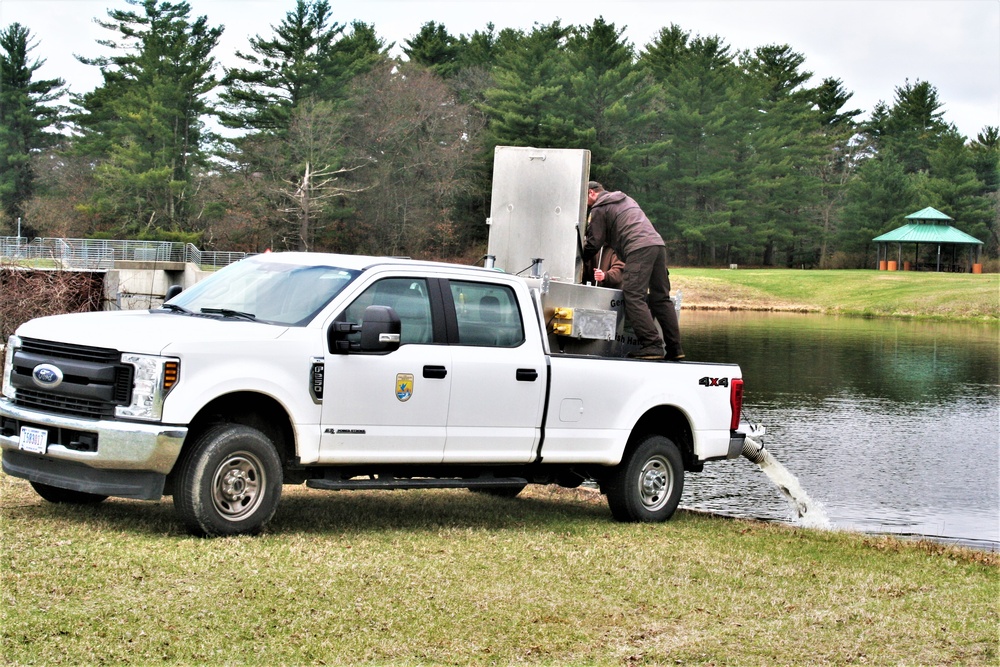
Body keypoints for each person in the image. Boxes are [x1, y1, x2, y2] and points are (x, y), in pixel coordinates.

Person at [583, 180, 684, 361]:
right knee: (661, 298)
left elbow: (594, 242)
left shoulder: (599, 207)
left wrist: (580, 257)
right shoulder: (626, 199)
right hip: (657, 245)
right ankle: (675, 348)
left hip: (638, 248)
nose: (585, 205)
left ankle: (652, 346)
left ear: (591, 193)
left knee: (633, 294)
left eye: (585, 199)